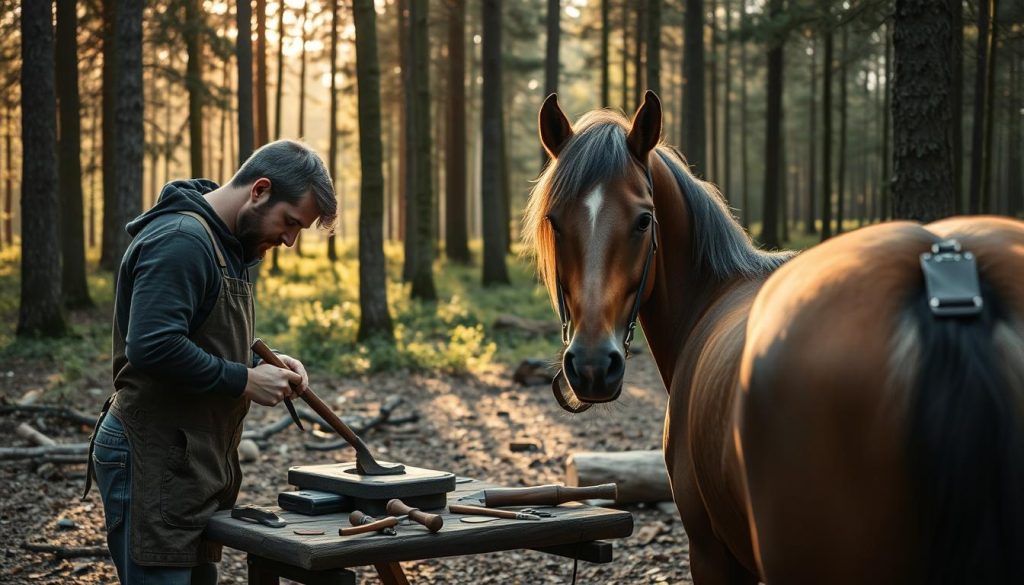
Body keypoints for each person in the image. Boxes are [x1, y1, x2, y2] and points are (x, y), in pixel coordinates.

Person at [84, 140, 337, 585]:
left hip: (193, 460)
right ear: (259, 190)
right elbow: (152, 346)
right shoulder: (182, 240)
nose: (290, 240)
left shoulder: (229, 245)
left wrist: (271, 365)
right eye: (291, 222)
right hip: (152, 456)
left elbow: (200, 333)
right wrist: (244, 379)